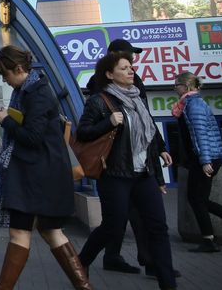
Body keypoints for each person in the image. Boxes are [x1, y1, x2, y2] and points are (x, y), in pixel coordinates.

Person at [0, 45, 91, 290]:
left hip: (33, 177)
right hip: (45, 174)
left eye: (6, 74)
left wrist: (6, 120)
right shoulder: (31, 90)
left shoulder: (36, 93)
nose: (4, 79)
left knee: (21, 233)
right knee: (51, 231)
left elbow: (32, 137)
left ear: (19, 69)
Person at [77, 51, 177, 290]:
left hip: (144, 173)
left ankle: (168, 283)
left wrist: (161, 150)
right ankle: (80, 262)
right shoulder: (99, 101)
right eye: (124, 68)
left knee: (158, 226)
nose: (131, 70)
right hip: (115, 174)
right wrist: (108, 123)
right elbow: (83, 133)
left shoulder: (138, 98)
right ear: (109, 74)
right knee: (113, 225)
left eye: (131, 67)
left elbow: (150, 129)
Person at [173, 71, 222, 252]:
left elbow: (200, 135)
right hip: (204, 158)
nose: (175, 88)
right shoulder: (189, 103)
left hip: (205, 158)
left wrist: (205, 161)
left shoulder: (194, 105)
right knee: (200, 199)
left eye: (176, 85)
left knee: (197, 199)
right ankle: (220, 232)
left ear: (185, 86)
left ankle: (210, 239)